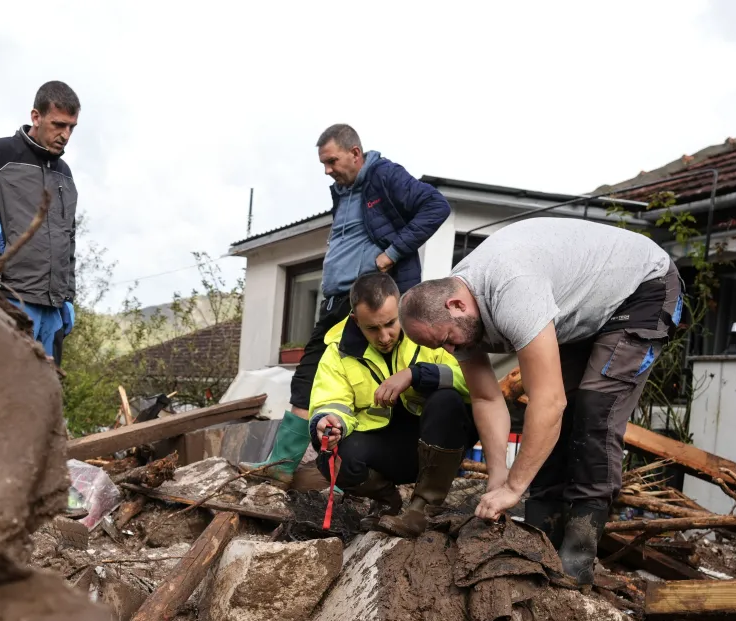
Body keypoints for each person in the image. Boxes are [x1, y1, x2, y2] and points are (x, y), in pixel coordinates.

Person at [398, 217, 683, 584]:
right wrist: (498, 478)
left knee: (594, 408)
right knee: (549, 419)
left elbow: (550, 404)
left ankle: (579, 552)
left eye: (448, 339)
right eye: (440, 347)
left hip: (643, 288)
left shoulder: (513, 291)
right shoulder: (455, 316)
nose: (450, 350)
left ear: (456, 304)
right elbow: (486, 397)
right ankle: (543, 533)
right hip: (584, 309)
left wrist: (515, 489)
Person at [244, 124, 450, 482]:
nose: (327, 170)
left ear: (355, 153)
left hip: (371, 304)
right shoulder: (343, 191)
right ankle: (280, 469)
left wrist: (391, 254)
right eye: (323, 163)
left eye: (332, 161)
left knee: (362, 379)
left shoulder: (384, 175)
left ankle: (350, 477)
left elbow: (436, 206)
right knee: (308, 374)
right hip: (338, 301)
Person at [308, 272, 471, 536]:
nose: (384, 337)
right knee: (331, 458)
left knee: (447, 399)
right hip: (387, 446)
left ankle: (421, 510)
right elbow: (331, 401)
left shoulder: (432, 326)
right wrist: (329, 421)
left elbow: (474, 383)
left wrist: (417, 375)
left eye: (391, 324)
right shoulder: (336, 352)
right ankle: (387, 502)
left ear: (402, 308)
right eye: (372, 328)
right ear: (355, 321)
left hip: (442, 439)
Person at [0, 80, 80, 363]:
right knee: (9, 392)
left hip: (54, 310)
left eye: (71, 127)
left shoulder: (65, 174)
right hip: (11, 300)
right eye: (58, 125)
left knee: (46, 397)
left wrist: (68, 297)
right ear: (36, 116)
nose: (65, 135)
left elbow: (68, 238)